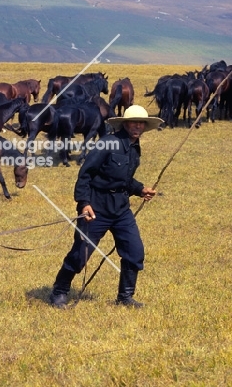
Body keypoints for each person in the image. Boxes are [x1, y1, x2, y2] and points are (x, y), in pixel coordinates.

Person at [49, 105, 163, 308]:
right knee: (80, 255)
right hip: (96, 208)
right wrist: (84, 204)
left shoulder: (135, 147)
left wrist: (140, 189)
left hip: (121, 210)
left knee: (135, 252)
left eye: (141, 123)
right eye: (133, 122)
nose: (137, 126)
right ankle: (59, 291)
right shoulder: (107, 143)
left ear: (145, 126)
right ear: (125, 123)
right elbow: (85, 174)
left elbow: (123, 179)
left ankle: (125, 297)